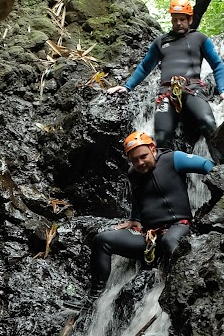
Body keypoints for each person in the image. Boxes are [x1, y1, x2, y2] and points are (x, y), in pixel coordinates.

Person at [82, 129, 213, 301]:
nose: (140, 162)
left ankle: (178, 291)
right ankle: (94, 298)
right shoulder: (133, 173)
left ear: (152, 148)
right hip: (150, 237)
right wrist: (134, 220)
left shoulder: (173, 159)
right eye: (135, 160)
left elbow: (206, 166)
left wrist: (223, 187)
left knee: (169, 241)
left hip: (179, 227)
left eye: (143, 156)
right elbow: (138, 197)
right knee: (102, 240)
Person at [109, 0, 224, 154]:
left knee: (208, 123)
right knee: (161, 138)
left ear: (190, 19)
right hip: (166, 94)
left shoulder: (199, 38)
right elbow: (145, 67)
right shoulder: (160, 42)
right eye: (175, 19)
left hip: (192, 89)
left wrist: (222, 89)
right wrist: (127, 87)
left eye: (182, 19)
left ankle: (222, 167)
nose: (178, 23)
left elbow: (217, 64)